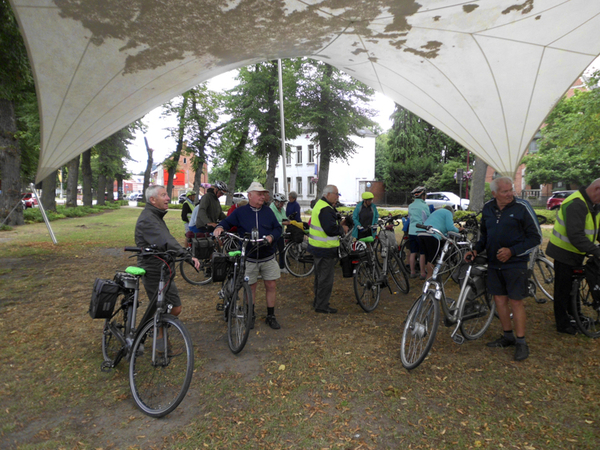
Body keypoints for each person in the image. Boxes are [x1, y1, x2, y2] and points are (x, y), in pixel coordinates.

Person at [466, 176, 542, 362]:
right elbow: (485, 235)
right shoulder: (488, 208)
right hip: (494, 263)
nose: (510, 194)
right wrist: (476, 250)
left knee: (516, 301)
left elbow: (536, 237)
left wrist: (512, 251)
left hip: (515, 264)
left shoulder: (522, 207)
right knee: (499, 300)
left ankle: (521, 341)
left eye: (511, 190)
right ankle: (508, 335)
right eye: (505, 191)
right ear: (494, 193)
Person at [214, 182, 283, 330]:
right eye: (259, 194)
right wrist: (219, 227)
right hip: (249, 258)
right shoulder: (241, 212)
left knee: (271, 285)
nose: (262, 196)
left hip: (267, 256)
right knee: (250, 287)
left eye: (263, 194)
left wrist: (271, 236)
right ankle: (250, 314)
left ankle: (270, 315)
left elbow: (278, 228)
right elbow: (226, 222)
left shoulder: (268, 211)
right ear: (250, 195)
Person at [135, 185, 200, 323]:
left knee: (174, 308)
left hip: (163, 269)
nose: (168, 198)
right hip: (153, 270)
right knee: (160, 308)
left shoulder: (155, 216)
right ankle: (153, 337)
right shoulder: (148, 219)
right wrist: (186, 255)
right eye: (164, 195)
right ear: (153, 200)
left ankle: (154, 331)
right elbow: (166, 241)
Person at [546, 179, 600, 335]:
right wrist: (596, 252)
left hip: (578, 251)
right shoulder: (576, 203)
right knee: (563, 289)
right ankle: (562, 324)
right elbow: (575, 235)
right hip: (564, 251)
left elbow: (597, 229)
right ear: (597, 189)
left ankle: (575, 316)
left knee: (573, 286)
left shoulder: (594, 204)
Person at [307, 185, 349, 314]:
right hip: (325, 249)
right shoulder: (326, 208)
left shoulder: (320, 205)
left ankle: (318, 301)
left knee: (319, 277)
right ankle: (322, 305)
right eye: (336, 194)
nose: (337, 197)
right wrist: (342, 229)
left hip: (317, 248)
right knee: (325, 279)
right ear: (328, 194)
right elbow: (330, 230)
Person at [418, 206, 463, 279]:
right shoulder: (448, 213)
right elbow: (450, 227)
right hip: (432, 235)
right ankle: (429, 279)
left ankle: (423, 273)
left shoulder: (436, 212)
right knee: (432, 259)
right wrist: (458, 230)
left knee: (425, 255)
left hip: (421, 233)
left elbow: (440, 226)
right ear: (451, 212)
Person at [408, 186, 431, 279]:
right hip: (421, 231)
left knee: (412, 252)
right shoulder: (424, 206)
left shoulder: (410, 206)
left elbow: (409, 217)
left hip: (411, 231)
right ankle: (422, 273)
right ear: (422, 196)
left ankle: (412, 272)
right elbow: (428, 218)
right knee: (422, 253)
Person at [270, 193, 290, 272]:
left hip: (280, 233)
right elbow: (272, 222)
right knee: (273, 251)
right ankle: (272, 268)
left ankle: (282, 267)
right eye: (281, 203)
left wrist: (288, 221)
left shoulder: (281, 209)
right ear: (276, 202)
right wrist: (283, 223)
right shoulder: (271, 209)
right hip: (273, 233)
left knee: (282, 250)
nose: (282, 205)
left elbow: (284, 218)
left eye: (283, 203)